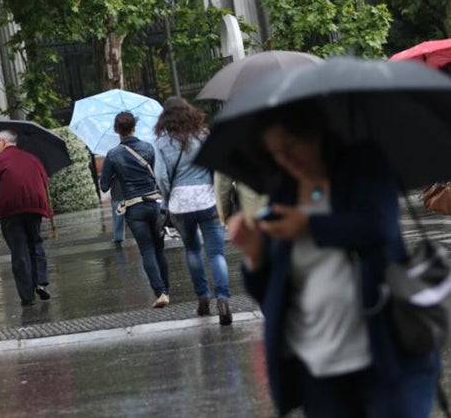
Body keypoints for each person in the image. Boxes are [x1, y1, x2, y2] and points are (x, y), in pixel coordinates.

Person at [226, 101, 440, 417]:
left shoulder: (364, 167)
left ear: (314, 133)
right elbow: (270, 293)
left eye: (289, 146)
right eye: (275, 153)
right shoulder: (284, 191)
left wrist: (309, 224)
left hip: (383, 355)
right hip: (319, 368)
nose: (284, 159)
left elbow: (377, 229)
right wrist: (254, 255)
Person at [154, 97, 232, 324]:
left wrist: (169, 198)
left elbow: (161, 177)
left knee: (192, 250)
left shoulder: (161, 144)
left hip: (181, 203)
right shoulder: (205, 135)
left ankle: (203, 297)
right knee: (216, 253)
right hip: (208, 199)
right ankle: (224, 299)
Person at [100, 111, 170, 308]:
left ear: (116, 130)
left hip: (134, 208)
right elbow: (157, 175)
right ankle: (167, 289)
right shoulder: (148, 148)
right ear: (134, 127)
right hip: (154, 204)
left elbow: (104, 186)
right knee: (159, 249)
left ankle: (159, 292)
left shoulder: (113, 155)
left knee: (146, 250)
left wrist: (116, 173)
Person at [0, 129, 53, 307]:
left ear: (3, 142)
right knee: (36, 244)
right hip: (35, 207)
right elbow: (45, 180)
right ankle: (41, 283)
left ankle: (27, 295)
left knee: (19, 249)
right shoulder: (33, 158)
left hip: (11, 211)